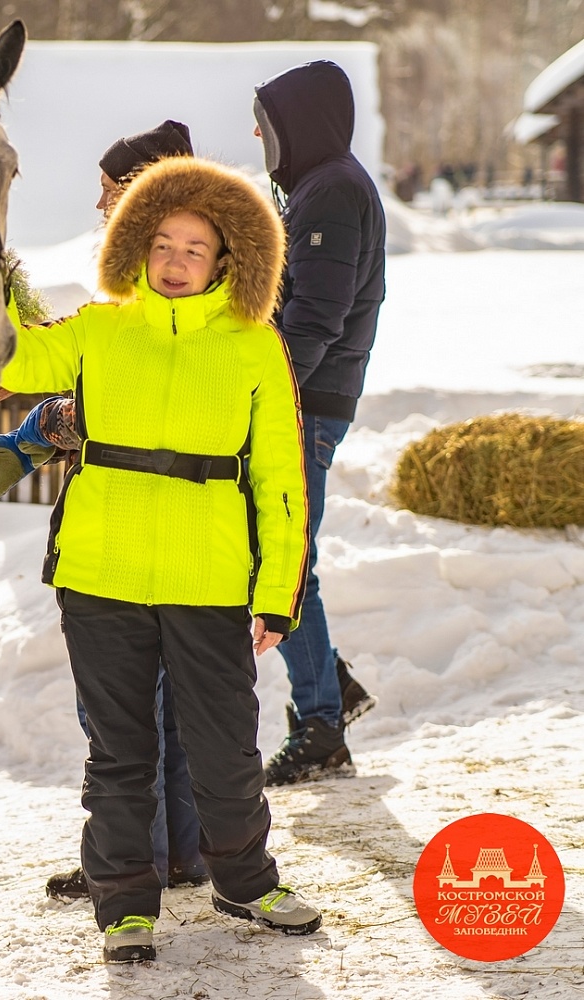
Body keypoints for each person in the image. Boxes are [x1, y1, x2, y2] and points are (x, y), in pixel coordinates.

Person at [3, 155, 321, 963]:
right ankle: (123, 906)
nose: (176, 263)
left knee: (226, 749)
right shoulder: (101, 326)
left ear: (226, 261)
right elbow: (11, 359)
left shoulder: (254, 345)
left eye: (195, 249)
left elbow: (281, 481)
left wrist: (277, 592)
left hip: (207, 578)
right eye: (164, 245)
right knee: (119, 754)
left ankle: (244, 881)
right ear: (137, 246)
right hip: (100, 573)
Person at [0, 121, 207, 900]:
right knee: (167, 703)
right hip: (174, 524)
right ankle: (178, 850)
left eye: (112, 188)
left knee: (121, 709)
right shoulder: (186, 279)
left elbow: (115, 401)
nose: (100, 203)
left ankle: (130, 862)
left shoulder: (149, 290)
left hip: (127, 525)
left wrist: (40, 429)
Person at [252, 60, 384, 786]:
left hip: (306, 403)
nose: (258, 136)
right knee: (281, 556)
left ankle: (322, 726)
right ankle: (330, 686)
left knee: (286, 563)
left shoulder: (331, 189)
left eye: (266, 124)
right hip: (310, 399)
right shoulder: (320, 186)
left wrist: (263, 393)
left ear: (297, 123)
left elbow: (315, 316)